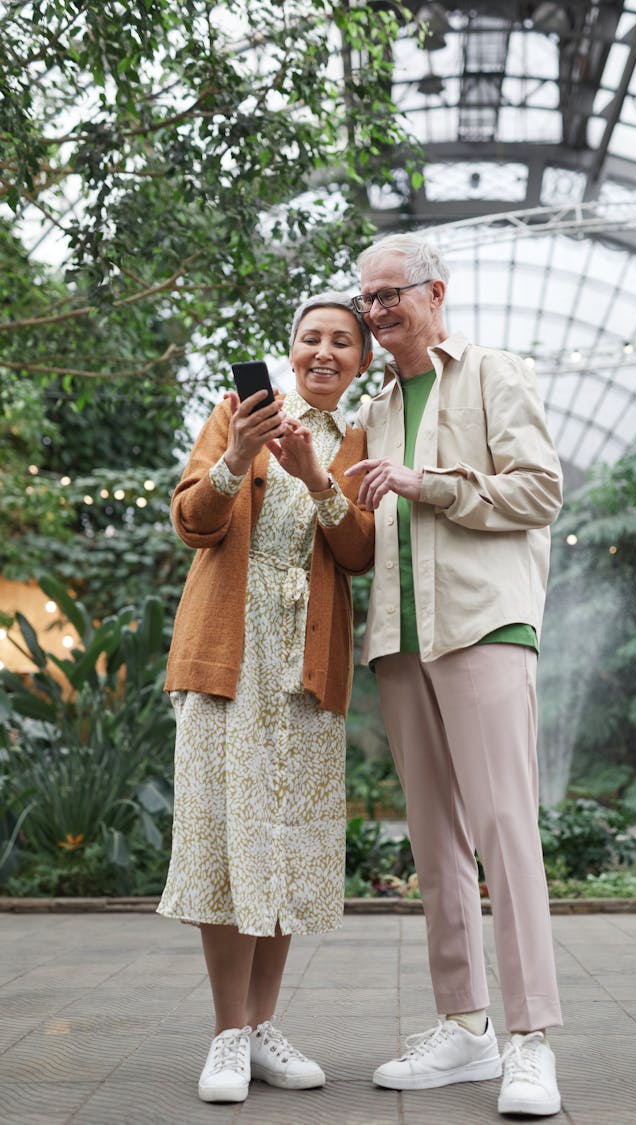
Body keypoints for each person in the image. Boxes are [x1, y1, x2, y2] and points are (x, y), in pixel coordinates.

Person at [345, 234, 564, 1118]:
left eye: (390, 293)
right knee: (433, 843)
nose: (376, 310)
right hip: (401, 640)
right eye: (367, 298)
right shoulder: (379, 404)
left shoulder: (492, 371)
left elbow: (540, 490)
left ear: (435, 291)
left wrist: (425, 482)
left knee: (506, 833)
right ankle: (465, 1028)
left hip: (483, 624)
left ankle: (531, 1042)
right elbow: (366, 527)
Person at [157, 292, 374, 1104]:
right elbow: (192, 520)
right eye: (311, 338)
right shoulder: (236, 415)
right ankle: (225, 1034)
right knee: (224, 837)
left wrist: (320, 480)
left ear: (361, 361)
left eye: (342, 342)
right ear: (290, 350)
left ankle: (260, 1027)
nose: (324, 352)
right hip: (228, 658)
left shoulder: (359, 438)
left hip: (306, 670)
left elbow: (358, 551)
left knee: (281, 842)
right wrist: (235, 456)